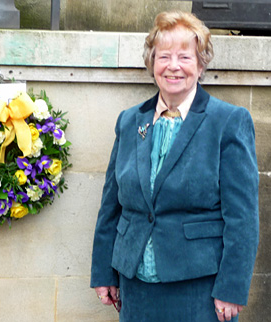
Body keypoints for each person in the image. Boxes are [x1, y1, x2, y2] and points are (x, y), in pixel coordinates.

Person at [90, 11, 259, 322]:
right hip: (135, 285)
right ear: (152, 63)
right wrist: (104, 272)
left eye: (185, 56)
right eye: (164, 56)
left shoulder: (228, 122)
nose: (173, 66)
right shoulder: (130, 121)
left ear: (200, 63)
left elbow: (243, 218)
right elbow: (111, 206)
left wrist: (232, 288)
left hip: (199, 288)